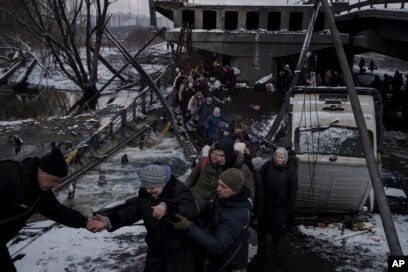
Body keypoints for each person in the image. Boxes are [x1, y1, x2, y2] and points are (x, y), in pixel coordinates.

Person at [87, 164, 197, 272]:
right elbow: (130, 212)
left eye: (152, 188)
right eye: (146, 187)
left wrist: (167, 207)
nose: (149, 191)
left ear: (162, 183)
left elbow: (190, 211)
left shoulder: (179, 190)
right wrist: (108, 221)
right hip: (156, 250)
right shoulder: (146, 194)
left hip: (179, 252)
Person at [0, 148, 90, 272]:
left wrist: (85, 222)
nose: (55, 186)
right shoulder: (9, 174)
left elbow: (57, 211)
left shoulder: (40, 194)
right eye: (54, 180)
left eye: (58, 182)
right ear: (41, 171)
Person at [171, 168, 252, 272]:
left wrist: (188, 226)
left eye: (223, 187)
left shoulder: (236, 215)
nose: (218, 189)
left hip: (230, 267)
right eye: (219, 184)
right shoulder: (226, 198)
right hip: (218, 261)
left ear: (235, 191)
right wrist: (194, 209)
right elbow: (212, 207)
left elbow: (217, 245)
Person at [186, 137, 255, 207]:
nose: (218, 159)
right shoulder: (219, 164)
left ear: (229, 154)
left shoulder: (242, 168)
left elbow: (250, 193)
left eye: (222, 155)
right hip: (212, 205)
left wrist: (243, 210)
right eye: (216, 154)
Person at [257, 147, 298, 255]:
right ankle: (261, 240)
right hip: (267, 200)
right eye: (278, 157)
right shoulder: (268, 165)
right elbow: (259, 176)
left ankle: (275, 242)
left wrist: (291, 203)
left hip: (281, 202)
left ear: (285, 158)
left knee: (277, 224)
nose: (280, 159)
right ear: (275, 157)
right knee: (263, 221)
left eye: (282, 157)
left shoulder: (290, 169)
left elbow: (293, 187)